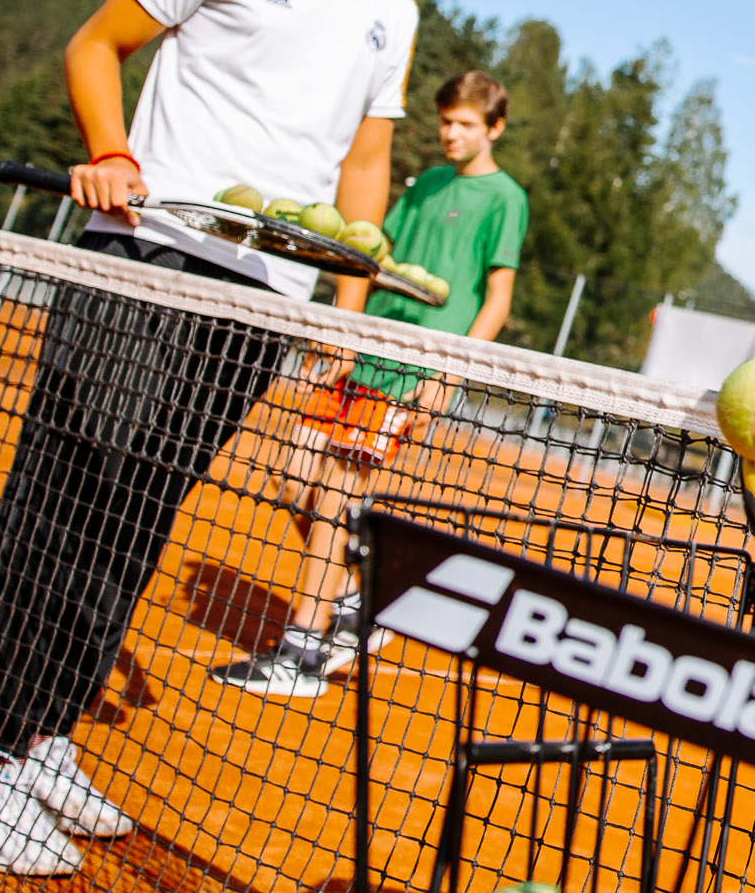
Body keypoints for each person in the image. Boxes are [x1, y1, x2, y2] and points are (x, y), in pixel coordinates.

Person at [0, 0, 437, 876]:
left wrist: (342, 312)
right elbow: (95, 45)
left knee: (141, 510)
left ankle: (45, 730)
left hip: (259, 302)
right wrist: (111, 150)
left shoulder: (397, 12)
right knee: (69, 494)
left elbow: (362, 165)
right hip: (145, 257)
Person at [210, 68, 528, 698]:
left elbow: (496, 299)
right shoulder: (428, 184)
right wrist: (345, 336)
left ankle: (301, 652)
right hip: (366, 354)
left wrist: (447, 375)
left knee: (335, 491)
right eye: (444, 121)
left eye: (465, 124)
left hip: (414, 369)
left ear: (494, 128)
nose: (450, 134)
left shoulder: (506, 198)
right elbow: (376, 255)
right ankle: (367, 583)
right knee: (294, 472)